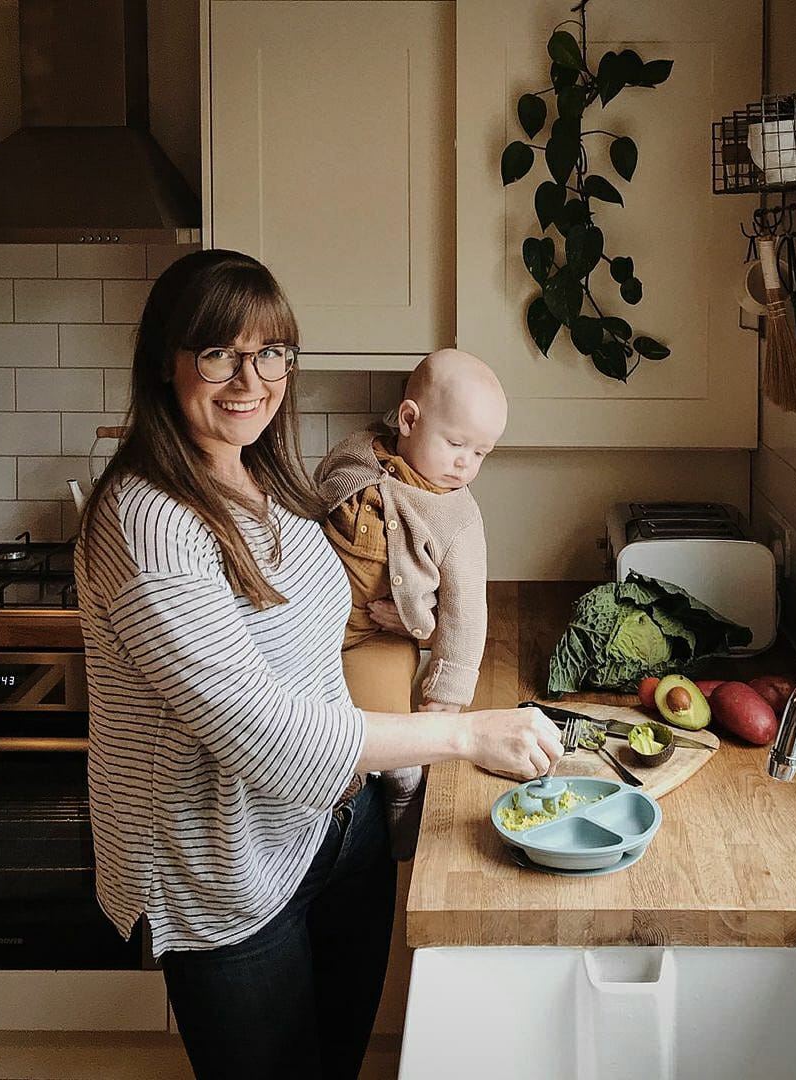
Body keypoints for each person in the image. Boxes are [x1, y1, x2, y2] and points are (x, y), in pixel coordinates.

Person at [74, 249, 563, 1080]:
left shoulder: (261, 473)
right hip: (226, 878)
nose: (250, 379)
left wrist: (404, 616)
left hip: (336, 833)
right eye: (219, 353)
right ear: (167, 361)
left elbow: (317, 612)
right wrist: (467, 732)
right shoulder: (149, 521)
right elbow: (267, 737)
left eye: (270, 353)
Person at [313, 348, 507, 861]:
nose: (466, 463)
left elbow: (467, 616)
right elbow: (312, 508)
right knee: (313, 733)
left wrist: (447, 689)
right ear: (407, 419)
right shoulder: (354, 456)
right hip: (313, 630)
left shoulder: (458, 520)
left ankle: (401, 801)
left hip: (377, 636)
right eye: (456, 444)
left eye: (481, 453)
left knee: (385, 742)